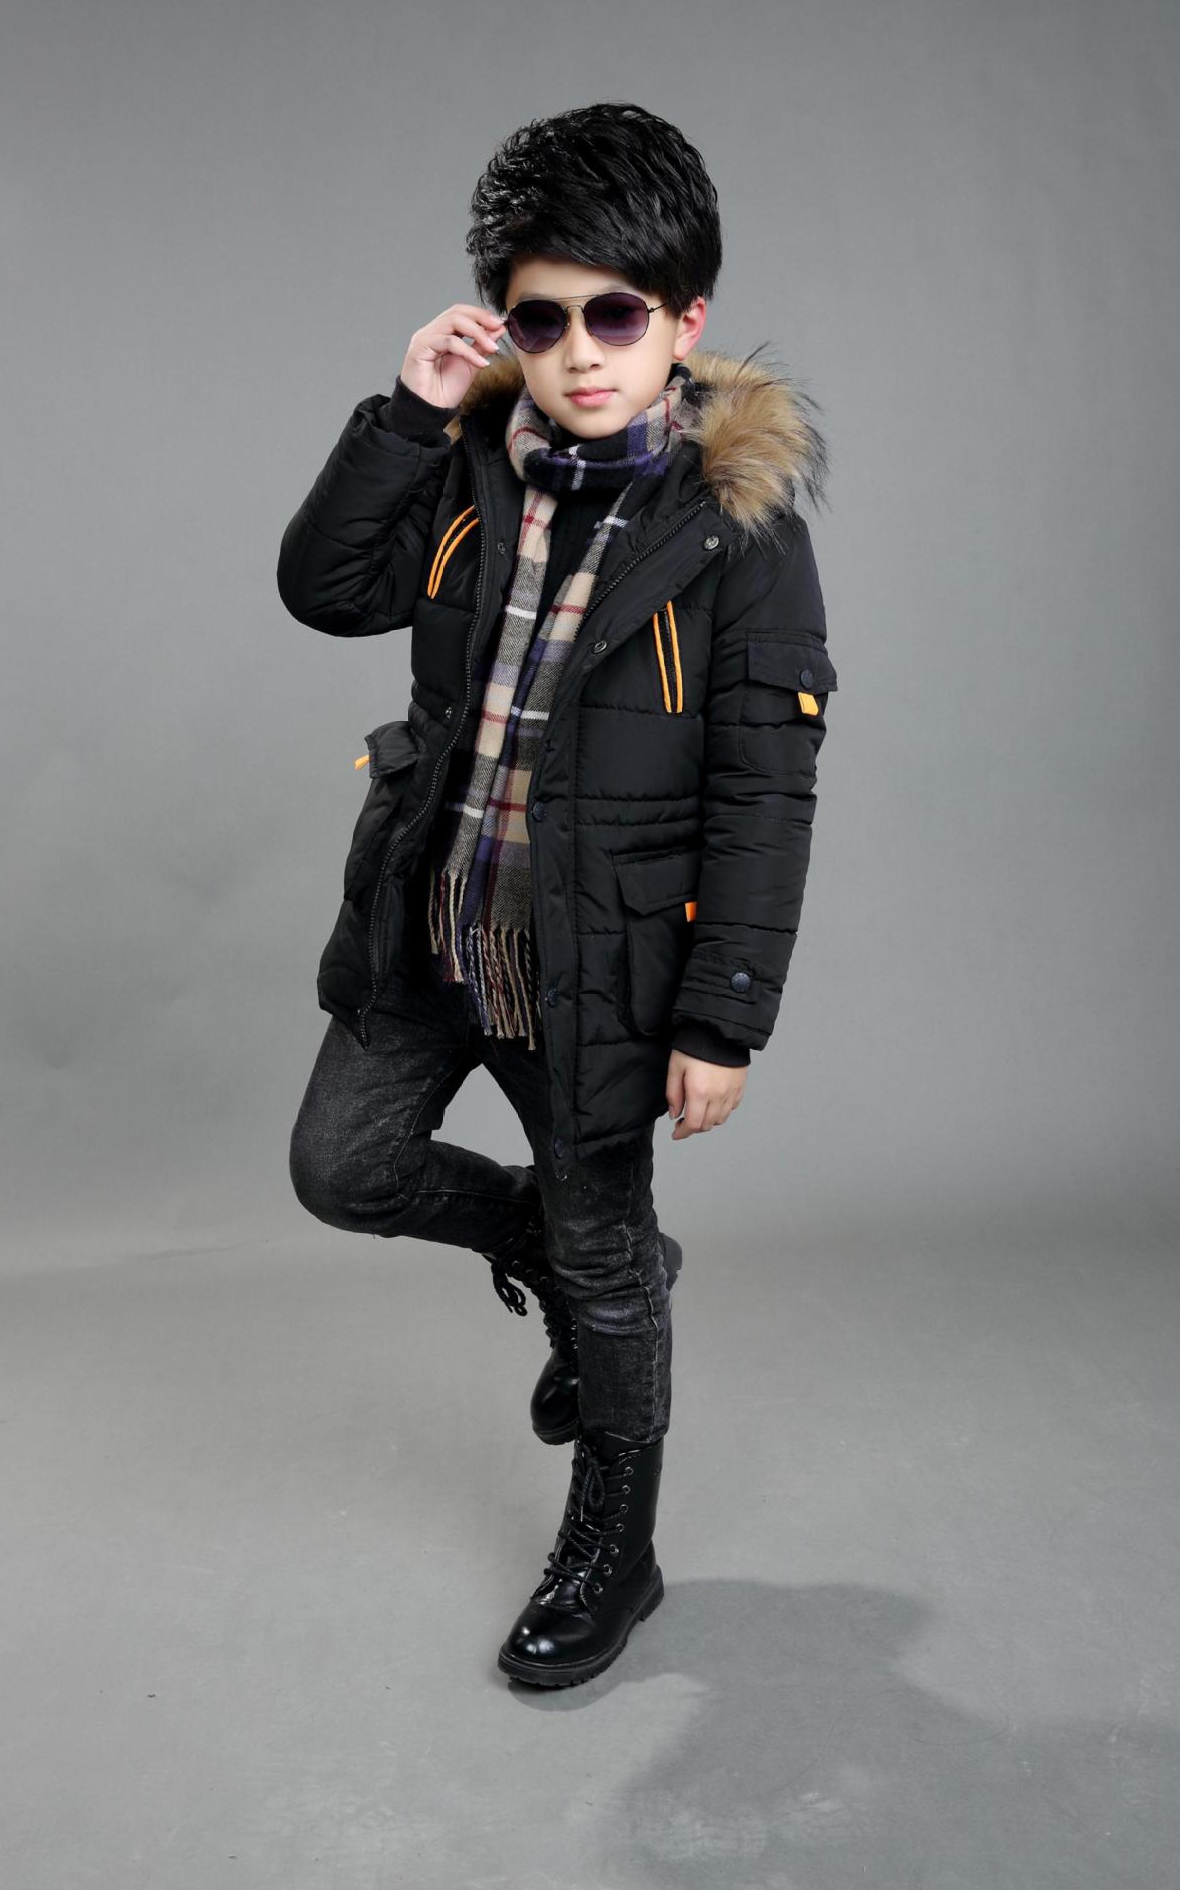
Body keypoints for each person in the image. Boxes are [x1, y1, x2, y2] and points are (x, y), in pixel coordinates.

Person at [278, 102, 837, 1688]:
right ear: (503, 321)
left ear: (684, 321)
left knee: (603, 1256)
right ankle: (576, 1264)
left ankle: (616, 1543)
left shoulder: (738, 531)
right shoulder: (466, 463)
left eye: (617, 315)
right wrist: (409, 409)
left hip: (594, 968)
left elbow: (767, 793)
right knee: (342, 1165)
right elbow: (324, 588)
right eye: (542, 318)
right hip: (432, 920)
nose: (581, 352)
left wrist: (724, 1017)